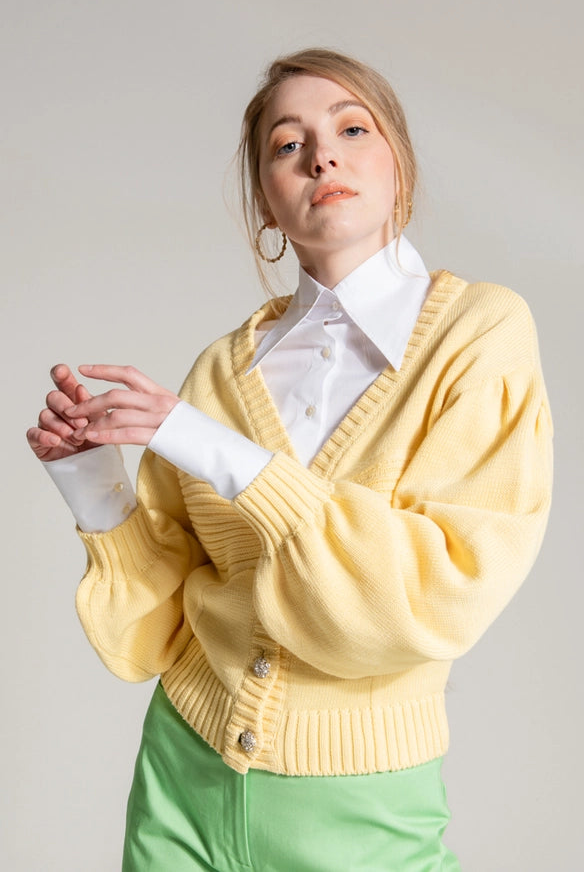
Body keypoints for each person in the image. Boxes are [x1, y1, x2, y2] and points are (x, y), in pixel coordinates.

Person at [27, 48, 552, 871]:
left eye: (352, 129)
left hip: (360, 803)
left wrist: (215, 450)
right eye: (288, 144)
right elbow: (152, 635)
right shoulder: (219, 371)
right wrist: (90, 482)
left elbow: (436, 594)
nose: (322, 157)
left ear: (400, 165)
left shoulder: (478, 334)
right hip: (181, 775)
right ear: (266, 202)